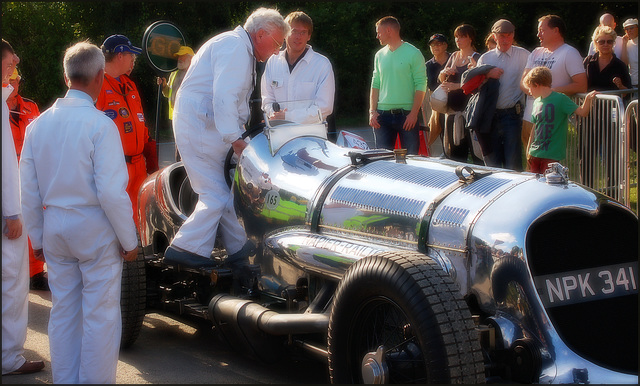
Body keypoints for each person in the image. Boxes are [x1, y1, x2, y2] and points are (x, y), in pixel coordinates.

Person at [20, 41, 138, 384]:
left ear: (66, 74)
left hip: (55, 224)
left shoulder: (37, 126)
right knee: (100, 315)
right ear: (100, 76)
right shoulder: (101, 126)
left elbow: (29, 191)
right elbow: (111, 193)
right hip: (95, 226)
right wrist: (129, 240)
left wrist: (38, 238)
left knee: (64, 311)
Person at [163, 8, 289, 276]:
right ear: (261, 34)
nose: (277, 51)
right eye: (277, 43)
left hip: (203, 125)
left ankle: (239, 247)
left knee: (228, 190)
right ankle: (186, 248)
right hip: (202, 126)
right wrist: (235, 139)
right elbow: (224, 97)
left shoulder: (237, 47)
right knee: (216, 194)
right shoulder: (234, 49)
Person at [2, 38, 45, 377]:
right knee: (12, 287)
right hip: (8, 212)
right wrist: (13, 214)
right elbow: (5, 163)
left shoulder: (21, 105)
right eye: (9, 65)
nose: (13, 70)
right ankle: (9, 358)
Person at [96, 34, 159, 228]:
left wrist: (151, 156)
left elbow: (141, 125)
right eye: (132, 55)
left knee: (138, 223)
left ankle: (135, 257)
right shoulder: (97, 84)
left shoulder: (129, 85)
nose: (134, 60)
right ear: (120, 55)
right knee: (113, 223)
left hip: (138, 167)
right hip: (115, 168)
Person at [6, 67, 49, 291]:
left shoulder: (30, 106)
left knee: (32, 220)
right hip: (8, 174)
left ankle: (35, 273)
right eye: (10, 81)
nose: (15, 85)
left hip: (30, 173)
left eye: (17, 80)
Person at [520, 15, 587, 156]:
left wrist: (549, 93)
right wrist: (536, 92)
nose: (538, 34)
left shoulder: (569, 53)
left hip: (550, 120)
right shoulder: (535, 52)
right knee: (530, 158)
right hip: (530, 115)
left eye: (542, 30)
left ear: (556, 30)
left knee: (547, 161)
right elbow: (523, 83)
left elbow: (581, 85)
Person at [261, 11, 335, 125]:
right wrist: (274, 115)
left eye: (303, 32)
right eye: (294, 31)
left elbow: (324, 108)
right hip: (278, 133)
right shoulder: (273, 62)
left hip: (311, 135)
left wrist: (288, 116)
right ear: (285, 33)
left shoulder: (322, 65)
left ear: (309, 36)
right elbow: (267, 99)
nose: (298, 37)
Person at [475, 19, 530, 170]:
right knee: (493, 164)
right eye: (502, 36)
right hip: (489, 116)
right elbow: (474, 86)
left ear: (513, 35)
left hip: (512, 115)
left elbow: (536, 79)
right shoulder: (486, 58)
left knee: (513, 164)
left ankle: (515, 193)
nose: (506, 39)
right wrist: (486, 74)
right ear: (494, 36)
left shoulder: (524, 55)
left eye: (509, 35)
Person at [369, 16, 427, 155]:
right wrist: (372, 111)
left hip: (407, 116)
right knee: (382, 160)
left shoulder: (414, 53)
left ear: (389, 30)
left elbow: (421, 84)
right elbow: (375, 83)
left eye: (379, 32)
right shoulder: (379, 55)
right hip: (382, 117)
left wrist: (413, 114)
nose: (377, 36)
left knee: (411, 160)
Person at [524, 66, 597, 173]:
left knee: (550, 185)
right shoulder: (536, 102)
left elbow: (582, 112)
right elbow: (534, 128)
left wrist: (588, 99)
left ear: (537, 85)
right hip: (535, 154)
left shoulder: (561, 99)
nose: (529, 92)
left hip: (552, 155)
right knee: (535, 185)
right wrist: (528, 151)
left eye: (530, 87)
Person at [438, 23, 482, 163]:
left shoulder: (478, 58)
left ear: (470, 39)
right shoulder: (453, 56)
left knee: (477, 155)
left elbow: (479, 84)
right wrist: (444, 73)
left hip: (470, 114)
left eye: (462, 37)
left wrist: (456, 86)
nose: (458, 40)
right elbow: (441, 80)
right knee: (455, 156)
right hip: (453, 113)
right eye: (456, 37)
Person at [157, 45, 194, 161]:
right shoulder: (174, 74)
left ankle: (183, 170)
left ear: (191, 59)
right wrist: (163, 87)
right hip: (176, 117)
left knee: (187, 147)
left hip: (190, 117)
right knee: (179, 146)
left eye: (183, 57)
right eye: (179, 57)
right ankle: (180, 169)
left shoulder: (194, 73)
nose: (180, 59)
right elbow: (169, 93)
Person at [584, 25, 632, 91]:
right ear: (595, 43)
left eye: (609, 42)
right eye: (601, 42)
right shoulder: (588, 61)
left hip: (611, 101)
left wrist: (620, 86)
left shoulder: (620, 65)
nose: (605, 44)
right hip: (590, 101)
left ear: (613, 44)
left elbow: (629, 93)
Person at [424, 33, 450, 151]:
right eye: (432, 45)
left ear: (445, 45)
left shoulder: (453, 59)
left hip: (455, 104)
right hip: (438, 105)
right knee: (443, 135)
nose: (435, 47)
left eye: (438, 44)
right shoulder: (427, 66)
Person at [620, 18, 638, 89]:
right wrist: (624, 44)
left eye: (632, 28)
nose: (629, 31)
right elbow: (624, 63)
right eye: (626, 29)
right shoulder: (627, 44)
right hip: (633, 85)